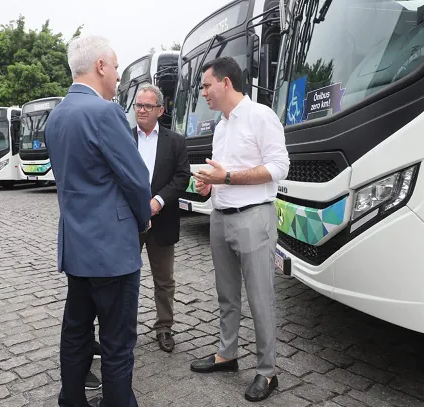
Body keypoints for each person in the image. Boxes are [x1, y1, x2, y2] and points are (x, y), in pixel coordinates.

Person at [45, 35, 152, 407]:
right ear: (101, 66)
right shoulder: (105, 112)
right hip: (112, 250)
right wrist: (143, 221)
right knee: (117, 340)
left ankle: (71, 399)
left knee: (76, 330)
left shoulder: (56, 116)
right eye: (117, 67)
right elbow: (137, 179)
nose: (119, 75)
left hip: (76, 246)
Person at [188, 56, 289, 402]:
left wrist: (227, 177)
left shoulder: (261, 116)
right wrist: (211, 186)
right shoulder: (220, 126)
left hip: (253, 217)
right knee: (226, 295)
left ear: (226, 83)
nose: (203, 93)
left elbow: (279, 166)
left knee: (261, 298)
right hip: (221, 216)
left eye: (206, 85)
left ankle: (267, 371)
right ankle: (227, 355)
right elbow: (223, 173)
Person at [131, 84, 191, 352]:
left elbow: (182, 177)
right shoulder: (123, 137)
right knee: (125, 277)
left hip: (162, 220)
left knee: (164, 279)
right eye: (138, 106)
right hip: (128, 221)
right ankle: (123, 327)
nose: (141, 110)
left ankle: (164, 327)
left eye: (147, 106)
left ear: (160, 110)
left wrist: (157, 202)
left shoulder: (175, 141)